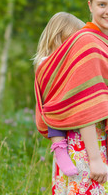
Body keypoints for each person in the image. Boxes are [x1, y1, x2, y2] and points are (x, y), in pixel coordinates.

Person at [34, 0, 108, 195]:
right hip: (85, 145)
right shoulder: (87, 42)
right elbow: (85, 106)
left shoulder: (107, 43)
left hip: (98, 141)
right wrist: (94, 159)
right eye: (102, 4)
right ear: (90, 6)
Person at [33, 12, 85, 176]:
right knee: (52, 111)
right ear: (58, 38)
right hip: (54, 107)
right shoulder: (46, 61)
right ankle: (59, 148)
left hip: (70, 106)